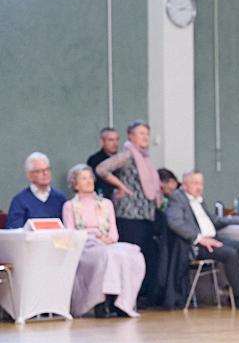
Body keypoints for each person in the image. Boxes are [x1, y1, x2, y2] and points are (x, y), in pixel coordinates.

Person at [165, 171, 239, 309]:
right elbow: (175, 223)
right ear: (185, 185)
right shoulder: (177, 198)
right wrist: (199, 238)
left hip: (213, 239)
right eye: (195, 183)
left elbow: (215, 221)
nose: (200, 187)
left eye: (201, 183)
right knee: (230, 253)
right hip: (197, 245)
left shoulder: (199, 200)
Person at [61, 164, 145, 318]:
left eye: (90, 178)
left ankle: (123, 302)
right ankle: (102, 301)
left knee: (132, 253)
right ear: (75, 184)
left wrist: (108, 239)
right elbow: (71, 233)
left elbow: (113, 231)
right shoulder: (70, 206)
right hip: (85, 245)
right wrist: (94, 236)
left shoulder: (106, 204)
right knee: (106, 255)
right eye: (83, 179)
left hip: (106, 242)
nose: (89, 181)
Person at [95, 120, 163, 305]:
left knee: (147, 257)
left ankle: (142, 297)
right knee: (131, 258)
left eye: (147, 134)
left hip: (145, 215)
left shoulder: (145, 158)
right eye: (141, 133)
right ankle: (126, 299)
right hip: (129, 215)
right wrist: (119, 185)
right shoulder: (127, 155)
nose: (145, 137)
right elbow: (101, 169)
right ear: (130, 136)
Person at [6, 152, 67, 229]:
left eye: (47, 169)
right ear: (29, 175)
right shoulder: (20, 200)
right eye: (39, 171)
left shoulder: (60, 198)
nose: (45, 173)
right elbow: (14, 230)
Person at [86, 127, 120, 199]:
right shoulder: (94, 160)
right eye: (111, 140)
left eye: (117, 140)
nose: (115, 143)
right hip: (101, 199)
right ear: (102, 142)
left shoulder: (122, 160)